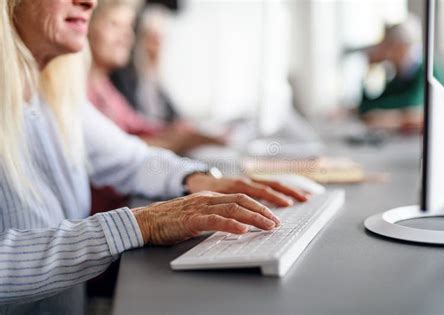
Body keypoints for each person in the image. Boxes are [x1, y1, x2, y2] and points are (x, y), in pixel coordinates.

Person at [0, 0, 308, 307]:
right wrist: (142, 224)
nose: (89, 2)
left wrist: (204, 181)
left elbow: (133, 159)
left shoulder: (52, 93)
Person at [88, 0, 222, 155]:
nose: (126, 35)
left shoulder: (105, 87)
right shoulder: (83, 89)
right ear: (87, 27)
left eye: (129, 27)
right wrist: (181, 140)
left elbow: (138, 126)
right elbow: (115, 149)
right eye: (114, 24)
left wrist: (179, 132)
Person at [358, 15, 444, 132]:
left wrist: (377, 112)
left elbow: (412, 103)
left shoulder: (426, 67)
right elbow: (366, 105)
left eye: (387, 45)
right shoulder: (399, 71)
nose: (384, 51)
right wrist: (369, 70)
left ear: (400, 46)